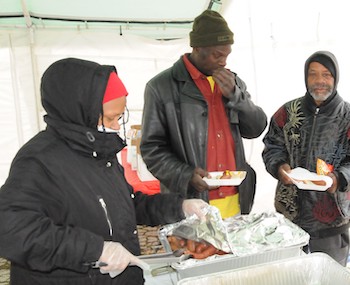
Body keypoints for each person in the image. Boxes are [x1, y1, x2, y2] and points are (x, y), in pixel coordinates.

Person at [0, 58, 209, 285]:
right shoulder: (39, 161)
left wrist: (179, 206)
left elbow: (128, 204)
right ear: (80, 113)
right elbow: (13, 230)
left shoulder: (99, 152)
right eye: (110, 118)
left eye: (120, 117)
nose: (117, 126)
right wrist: (95, 250)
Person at [140, 10, 267, 219]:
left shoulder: (233, 82)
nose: (224, 62)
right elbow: (151, 148)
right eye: (218, 55)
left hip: (235, 199)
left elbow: (256, 128)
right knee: (197, 252)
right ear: (197, 48)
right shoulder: (161, 87)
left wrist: (237, 97)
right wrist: (184, 174)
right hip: (191, 202)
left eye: (227, 55)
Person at [262, 50, 350, 266]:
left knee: (330, 277)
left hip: (332, 219)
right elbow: (272, 145)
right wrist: (278, 166)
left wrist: (338, 179)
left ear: (335, 78)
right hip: (289, 217)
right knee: (291, 275)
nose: (319, 81)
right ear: (305, 77)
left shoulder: (347, 116)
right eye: (313, 74)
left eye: (326, 74)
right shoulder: (288, 112)